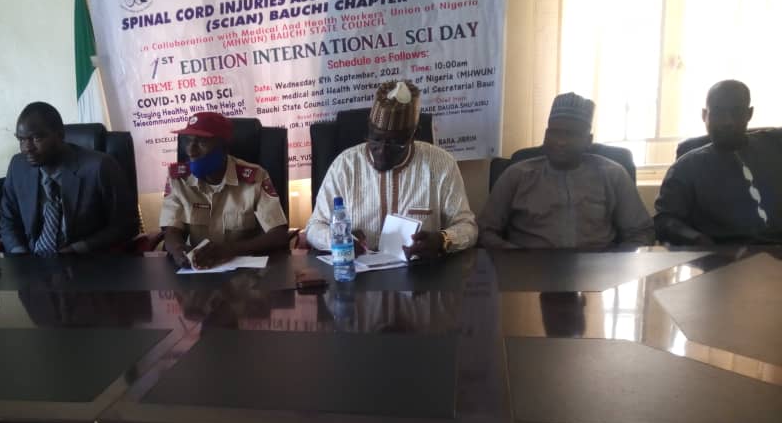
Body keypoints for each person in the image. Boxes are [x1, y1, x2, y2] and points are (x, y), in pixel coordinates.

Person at [305, 80, 477, 258]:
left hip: (420, 270)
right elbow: (314, 227)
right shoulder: (345, 166)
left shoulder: (441, 165)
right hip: (358, 270)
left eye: (395, 143)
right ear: (369, 129)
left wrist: (442, 240)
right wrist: (340, 239)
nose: (382, 151)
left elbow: (467, 226)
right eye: (376, 139)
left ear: (413, 135)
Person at [479, 92, 654, 249]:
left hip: (597, 269)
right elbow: (485, 231)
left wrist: (617, 265)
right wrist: (514, 257)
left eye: (571, 134)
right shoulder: (517, 174)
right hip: (530, 268)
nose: (560, 142)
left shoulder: (613, 174)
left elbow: (641, 233)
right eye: (554, 132)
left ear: (588, 141)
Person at [0, 101, 138, 256]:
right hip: (31, 261)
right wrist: (20, 255)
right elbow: (8, 220)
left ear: (60, 135)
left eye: (36, 138)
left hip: (86, 261)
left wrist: (77, 249)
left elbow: (127, 225)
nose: (27, 148)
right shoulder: (18, 166)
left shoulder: (99, 167)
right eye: (21, 140)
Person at [655, 80, 782, 245]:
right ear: (704, 115)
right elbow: (664, 220)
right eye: (718, 112)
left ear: (749, 114)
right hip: (721, 253)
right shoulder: (686, 167)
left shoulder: (775, 148)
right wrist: (697, 239)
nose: (728, 122)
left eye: (736, 112)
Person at [160, 111, 289, 269]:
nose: (191, 151)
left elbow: (278, 235)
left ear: (224, 147)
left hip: (246, 273)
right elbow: (171, 230)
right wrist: (179, 251)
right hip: (198, 272)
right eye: (188, 141)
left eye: (202, 142)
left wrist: (230, 250)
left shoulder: (255, 177)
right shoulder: (178, 179)